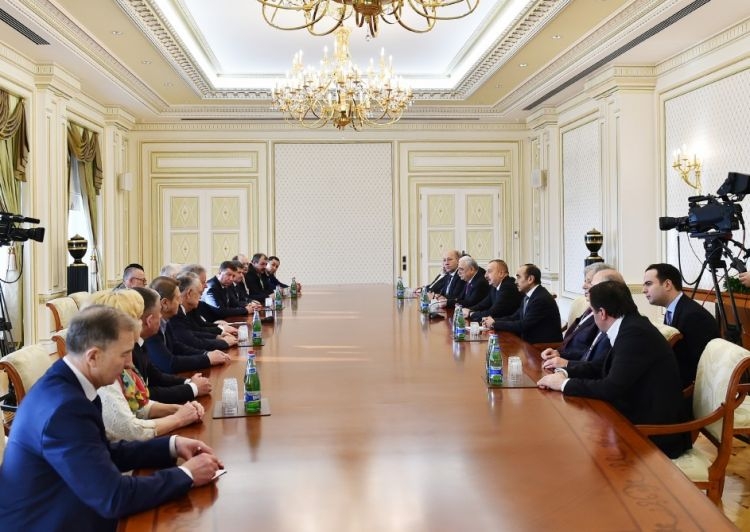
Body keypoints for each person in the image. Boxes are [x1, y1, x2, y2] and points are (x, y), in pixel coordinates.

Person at [0, 305, 223, 531]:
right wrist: (187, 474)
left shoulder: (69, 384)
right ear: (93, 356)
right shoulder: (65, 409)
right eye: (124, 354)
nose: (130, 363)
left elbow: (102, 452)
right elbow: (113, 497)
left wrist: (172, 445)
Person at [537, 281, 691, 459]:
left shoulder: (634, 334)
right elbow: (601, 365)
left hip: (653, 431)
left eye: (593, 311)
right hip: (633, 413)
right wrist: (566, 371)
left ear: (602, 313)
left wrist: (564, 384)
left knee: (576, 445)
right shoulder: (629, 325)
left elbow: (611, 388)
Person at [88, 289, 205, 442]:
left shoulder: (114, 356)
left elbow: (138, 406)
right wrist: (179, 418)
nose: (129, 363)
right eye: (138, 316)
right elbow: (130, 431)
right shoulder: (102, 374)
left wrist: (177, 409)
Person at [643, 263, 720, 387]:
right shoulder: (673, 310)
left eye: (648, 284)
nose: (644, 290)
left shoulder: (693, 315)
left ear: (667, 285)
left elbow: (697, 367)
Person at [132, 286, 212, 403]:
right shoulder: (131, 349)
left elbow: (156, 376)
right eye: (159, 312)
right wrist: (193, 388)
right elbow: (144, 395)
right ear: (149, 321)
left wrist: (189, 382)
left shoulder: (140, 343)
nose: (161, 316)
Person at [541, 266, 622, 370]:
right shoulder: (589, 309)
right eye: (585, 281)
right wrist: (558, 353)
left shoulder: (607, 317)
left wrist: (566, 364)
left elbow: (594, 358)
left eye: (590, 282)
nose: (584, 286)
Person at [146, 276, 230, 373]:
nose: (180, 302)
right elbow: (169, 364)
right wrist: (207, 359)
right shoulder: (151, 327)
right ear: (165, 303)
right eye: (178, 298)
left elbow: (177, 347)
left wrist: (206, 354)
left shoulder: (165, 320)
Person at [483, 263, 562, 344]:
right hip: (529, 342)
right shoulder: (530, 295)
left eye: (518, 277)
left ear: (530, 279)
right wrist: (493, 320)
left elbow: (523, 325)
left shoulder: (540, 299)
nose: (515, 281)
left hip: (542, 346)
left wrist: (494, 324)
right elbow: (515, 317)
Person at [168, 272, 237, 352]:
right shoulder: (176, 313)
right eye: (199, 293)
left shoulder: (184, 309)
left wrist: (217, 336)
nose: (201, 297)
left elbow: (193, 332)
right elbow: (192, 341)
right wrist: (223, 342)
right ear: (189, 293)